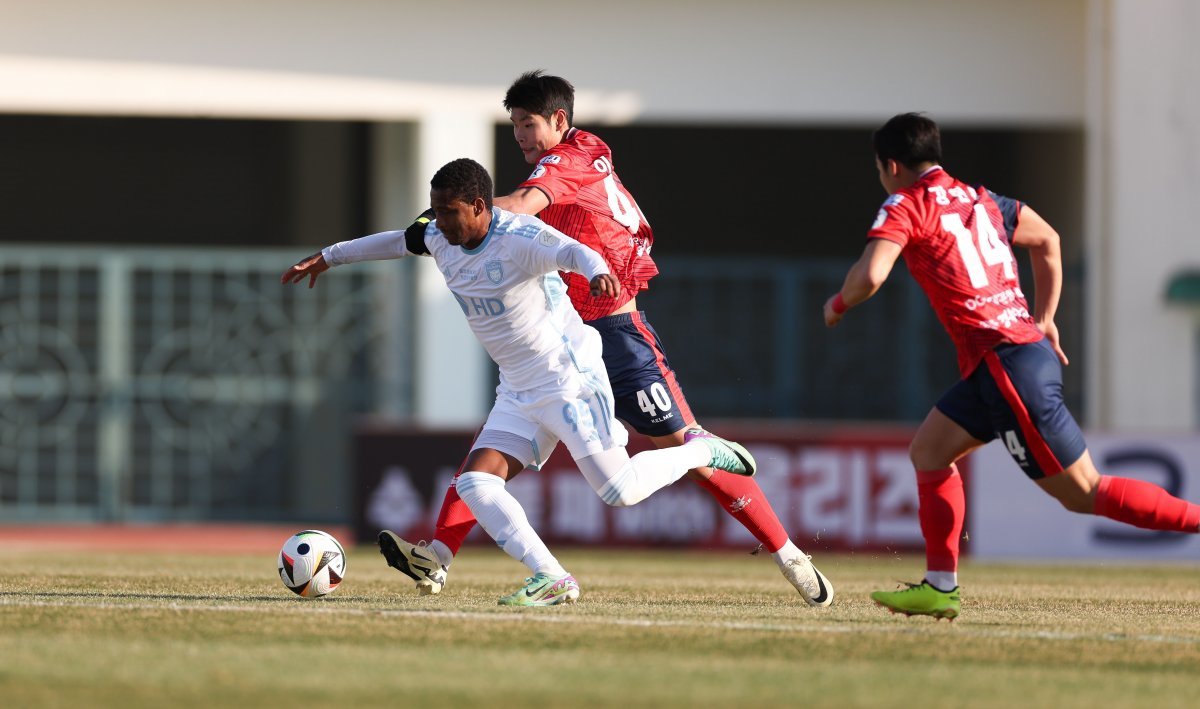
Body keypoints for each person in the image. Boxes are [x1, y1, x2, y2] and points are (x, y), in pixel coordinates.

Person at [378, 70, 833, 608]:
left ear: (560, 122)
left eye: (528, 124)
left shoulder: (568, 158)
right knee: (491, 455)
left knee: (687, 448)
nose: (521, 136)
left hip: (615, 333)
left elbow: (520, 205)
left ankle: (790, 555)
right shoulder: (574, 155)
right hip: (562, 339)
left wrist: (444, 215)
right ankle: (437, 556)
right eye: (514, 126)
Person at [283, 158, 759, 606]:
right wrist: (330, 257)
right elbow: (394, 242)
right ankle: (552, 578)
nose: (441, 223)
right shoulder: (438, 236)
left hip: (568, 377)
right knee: (475, 482)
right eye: (436, 211)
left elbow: (573, 251)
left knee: (619, 491)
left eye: (450, 213)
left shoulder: (519, 236)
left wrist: (597, 273)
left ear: (479, 206)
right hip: (517, 387)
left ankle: (701, 450)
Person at [824, 112, 1200, 620]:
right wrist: (1045, 318)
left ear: (891, 165)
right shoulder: (983, 200)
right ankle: (940, 586)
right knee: (930, 451)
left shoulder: (906, 203)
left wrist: (838, 305)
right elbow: (1049, 241)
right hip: (1001, 362)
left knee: (1084, 492)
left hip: (1007, 366)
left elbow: (869, 275)